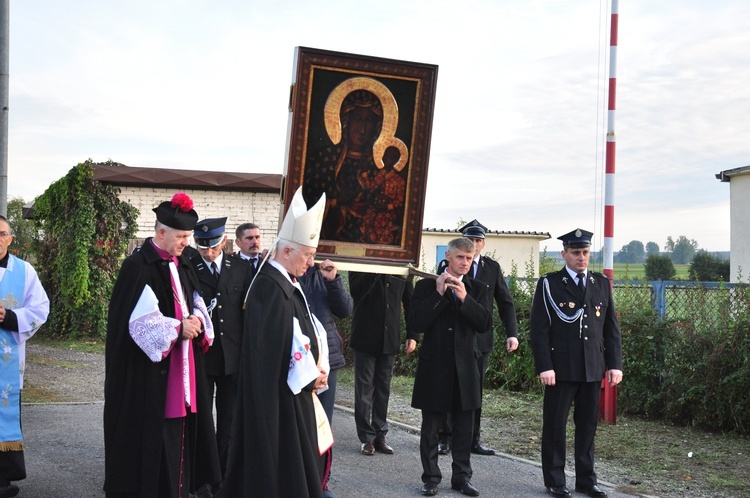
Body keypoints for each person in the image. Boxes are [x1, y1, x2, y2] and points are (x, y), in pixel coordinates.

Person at [104, 193, 221, 498]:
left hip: (184, 365)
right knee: (155, 435)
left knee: (182, 432)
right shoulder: (137, 267)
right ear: (161, 233)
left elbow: (195, 301)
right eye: (182, 236)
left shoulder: (183, 265)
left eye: (188, 237)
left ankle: (181, 490)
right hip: (150, 374)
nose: (186, 242)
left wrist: (197, 318)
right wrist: (177, 328)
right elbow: (136, 324)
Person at [219, 188, 331, 498]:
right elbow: (274, 350)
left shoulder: (286, 280)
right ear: (286, 252)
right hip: (279, 398)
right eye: (307, 255)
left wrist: (317, 367)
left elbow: (304, 331)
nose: (311, 262)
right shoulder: (269, 287)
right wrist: (311, 372)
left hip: (294, 391)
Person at [530, 229, 623, 498]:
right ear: (564, 254)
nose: (581, 257)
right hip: (560, 368)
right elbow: (539, 330)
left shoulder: (600, 284)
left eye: (585, 252)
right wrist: (544, 366)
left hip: (592, 367)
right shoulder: (550, 283)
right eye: (575, 253)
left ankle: (586, 480)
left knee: (587, 427)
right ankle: (555, 480)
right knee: (555, 426)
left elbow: (610, 329)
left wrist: (614, 364)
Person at [405, 237, 491, 497]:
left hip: (466, 368)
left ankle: (461, 477)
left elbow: (484, 323)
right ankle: (431, 478)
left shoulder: (477, 288)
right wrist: (440, 294)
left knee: (464, 427)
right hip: (435, 367)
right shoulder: (426, 287)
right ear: (449, 258)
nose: (465, 262)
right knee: (431, 427)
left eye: (469, 257)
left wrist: (465, 298)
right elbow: (417, 322)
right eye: (460, 257)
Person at [438, 220, 519, 456]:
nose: (473, 245)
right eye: (469, 240)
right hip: (454, 338)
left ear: (483, 244)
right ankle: (445, 437)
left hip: (480, 339)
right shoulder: (445, 266)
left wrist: (512, 333)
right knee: (449, 387)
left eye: (477, 241)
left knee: (475, 391)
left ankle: (473, 438)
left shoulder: (492, 268)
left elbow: (505, 302)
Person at [190, 217, 252, 478]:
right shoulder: (188, 266)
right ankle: (200, 475)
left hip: (232, 357)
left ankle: (222, 475)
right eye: (202, 246)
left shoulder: (240, 267)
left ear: (224, 241)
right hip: (201, 355)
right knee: (201, 419)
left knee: (228, 420)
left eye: (213, 246)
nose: (207, 251)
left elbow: (247, 314)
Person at [304, 89, 407, 245]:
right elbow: (308, 202)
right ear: (346, 121)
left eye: (369, 121)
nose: (362, 129)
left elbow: (395, 208)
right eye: (358, 119)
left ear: (377, 126)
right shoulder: (324, 158)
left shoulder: (379, 166)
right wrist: (337, 202)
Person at [0, 215, 49, 498]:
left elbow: (41, 308)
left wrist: (9, 317)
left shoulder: (25, 271)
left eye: (1, 234)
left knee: (4, 415)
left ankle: (3, 479)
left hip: (7, 358)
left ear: (10, 238)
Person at [298, 259, 353, 498]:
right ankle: (299, 480)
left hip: (325, 359)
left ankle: (321, 482)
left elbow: (345, 310)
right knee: (299, 424)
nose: (310, 260)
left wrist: (334, 280)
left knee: (322, 425)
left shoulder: (324, 274)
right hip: (297, 361)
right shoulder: (288, 274)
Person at [348, 271, 412, 456]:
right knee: (364, 389)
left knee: (383, 388)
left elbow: (409, 300)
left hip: (389, 337)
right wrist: (375, 270)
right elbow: (356, 291)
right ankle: (366, 438)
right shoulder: (361, 265)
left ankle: (380, 435)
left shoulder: (401, 268)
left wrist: (412, 334)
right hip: (364, 335)